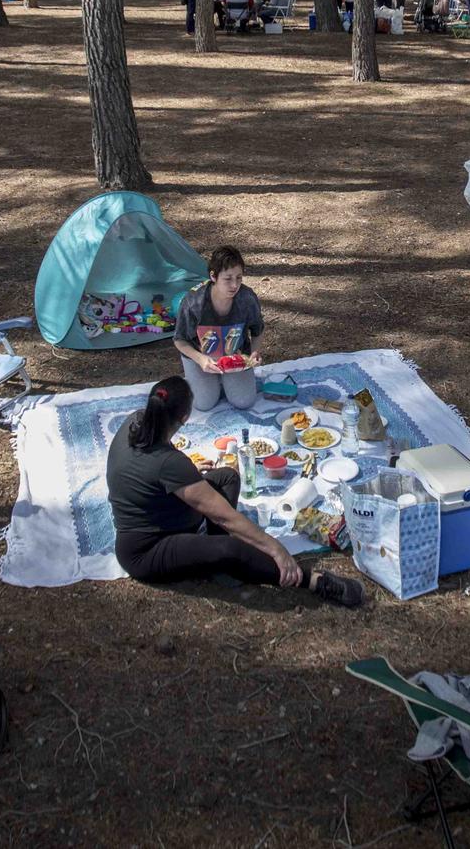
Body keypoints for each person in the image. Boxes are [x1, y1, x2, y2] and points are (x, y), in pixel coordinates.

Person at [107, 376, 364, 604]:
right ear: (185, 417)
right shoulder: (170, 464)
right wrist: (275, 548)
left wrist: (187, 472)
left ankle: (219, 553)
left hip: (163, 511)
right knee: (230, 550)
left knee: (228, 476)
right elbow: (223, 516)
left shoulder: (137, 421)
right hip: (147, 548)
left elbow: (154, 467)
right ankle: (313, 580)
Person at [174, 246, 266, 412]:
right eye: (228, 279)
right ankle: (202, 379)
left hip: (235, 356)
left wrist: (253, 352)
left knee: (244, 402)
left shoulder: (247, 298)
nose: (234, 285)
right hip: (201, 357)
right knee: (204, 403)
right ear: (213, 276)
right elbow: (180, 340)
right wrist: (200, 359)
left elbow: (258, 330)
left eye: (239, 278)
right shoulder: (194, 302)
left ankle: (224, 381)